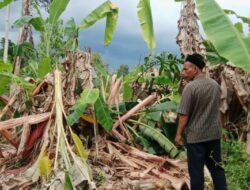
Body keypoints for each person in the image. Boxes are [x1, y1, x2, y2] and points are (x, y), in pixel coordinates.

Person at [175, 53, 227, 190]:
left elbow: (183, 114)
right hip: (213, 135)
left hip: (196, 137)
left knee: (196, 173)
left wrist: (179, 134)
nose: (183, 72)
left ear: (196, 69)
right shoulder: (215, 85)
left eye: (186, 69)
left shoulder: (190, 88)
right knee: (217, 169)